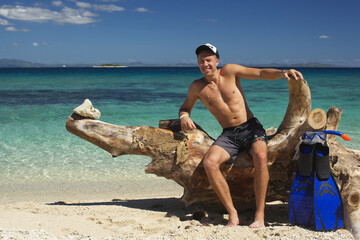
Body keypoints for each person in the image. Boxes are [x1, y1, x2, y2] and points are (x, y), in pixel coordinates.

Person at [178, 43, 303, 228]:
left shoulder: (230, 71)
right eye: (201, 61)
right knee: (210, 163)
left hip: (251, 128)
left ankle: (260, 215)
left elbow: (260, 73)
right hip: (229, 135)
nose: (205, 64)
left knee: (261, 156)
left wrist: (281, 73)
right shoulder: (197, 87)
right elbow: (185, 106)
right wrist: (184, 116)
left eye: (208, 60)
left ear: (217, 61)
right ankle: (232, 213)